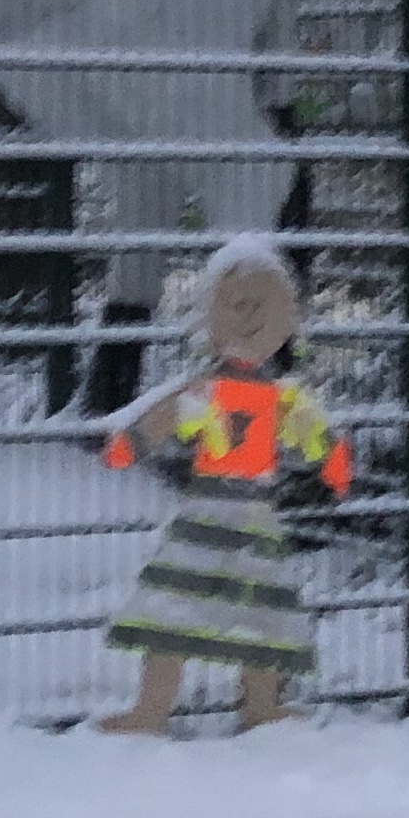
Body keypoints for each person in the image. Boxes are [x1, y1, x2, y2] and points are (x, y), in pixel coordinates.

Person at [99, 238, 351, 736]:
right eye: (236, 304)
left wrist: (334, 461)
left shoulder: (282, 399)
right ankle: (151, 708)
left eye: (264, 305)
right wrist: (131, 443)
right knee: (172, 607)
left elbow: (315, 432)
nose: (250, 315)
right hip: (206, 514)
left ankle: (261, 704)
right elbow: (167, 416)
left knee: (264, 613)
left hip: (255, 516)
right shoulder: (206, 392)